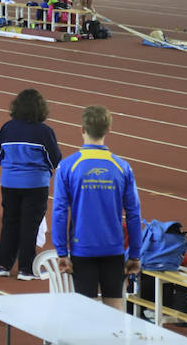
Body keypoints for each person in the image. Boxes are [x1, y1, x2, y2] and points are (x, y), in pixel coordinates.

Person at [52, 105, 142, 310]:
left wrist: (61, 251)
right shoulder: (122, 167)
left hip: (82, 248)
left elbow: (59, 211)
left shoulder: (67, 166)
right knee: (115, 305)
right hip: (114, 248)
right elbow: (134, 213)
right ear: (108, 130)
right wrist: (135, 254)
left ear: (82, 129)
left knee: (87, 310)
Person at [0, 89, 61, 281]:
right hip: (36, 185)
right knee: (30, 226)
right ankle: (26, 269)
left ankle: (3, 265)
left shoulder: (7, 128)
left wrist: (11, 168)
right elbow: (54, 159)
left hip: (9, 183)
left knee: (9, 223)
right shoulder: (45, 132)